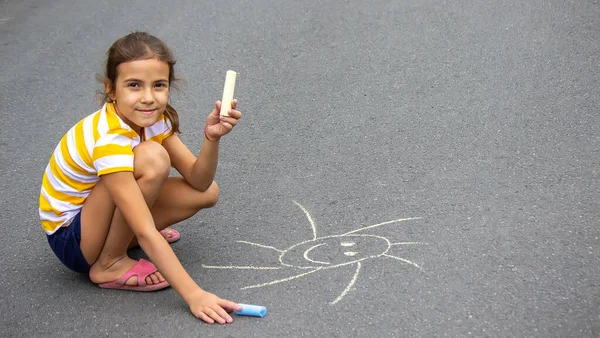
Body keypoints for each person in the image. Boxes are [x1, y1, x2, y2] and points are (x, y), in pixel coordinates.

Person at [39, 31, 243, 324]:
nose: (148, 98)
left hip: (98, 216)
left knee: (207, 193)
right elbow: (147, 229)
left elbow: (199, 181)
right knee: (153, 158)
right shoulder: (108, 137)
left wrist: (212, 138)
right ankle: (109, 262)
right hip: (71, 237)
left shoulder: (154, 119)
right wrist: (194, 295)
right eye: (134, 85)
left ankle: (120, 240)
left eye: (158, 85)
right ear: (112, 89)